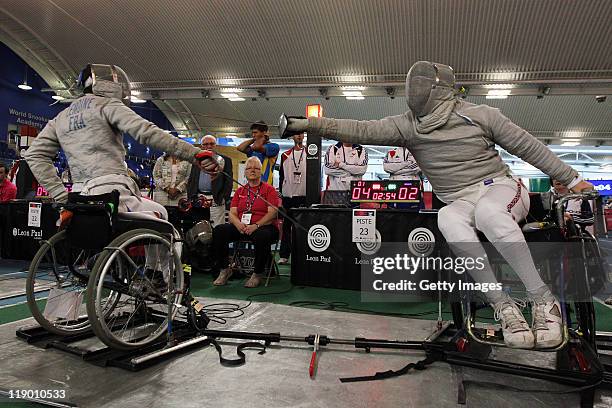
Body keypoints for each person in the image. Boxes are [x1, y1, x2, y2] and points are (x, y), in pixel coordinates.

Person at [280, 60, 594, 349]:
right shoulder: (407, 126)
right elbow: (362, 129)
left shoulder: (481, 115)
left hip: (499, 188)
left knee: (487, 213)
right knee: (446, 218)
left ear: (441, 88)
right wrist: (310, 125)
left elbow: (529, 147)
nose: (414, 91)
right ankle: (503, 305)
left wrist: (573, 179)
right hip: (459, 201)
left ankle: (543, 300)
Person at [24, 64, 209, 274]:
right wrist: (194, 154)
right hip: (111, 193)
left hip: (79, 198)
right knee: (162, 216)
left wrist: (60, 195)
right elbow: (146, 133)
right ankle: (157, 275)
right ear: (100, 84)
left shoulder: (61, 118)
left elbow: (34, 154)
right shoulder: (107, 105)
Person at [211, 157, 280, 288]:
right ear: (245, 172)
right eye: (249, 168)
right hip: (242, 227)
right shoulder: (240, 191)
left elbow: (272, 213)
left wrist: (256, 225)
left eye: (256, 168)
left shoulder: (269, 189)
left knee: (262, 236)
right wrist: (238, 224)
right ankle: (225, 270)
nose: (252, 170)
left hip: (264, 227)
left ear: (261, 172)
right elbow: (232, 213)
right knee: (219, 231)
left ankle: (257, 273)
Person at [187, 135, 233, 227]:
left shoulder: (225, 160)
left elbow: (229, 181)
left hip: (217, 200)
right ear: (202, 146)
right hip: (198, 199)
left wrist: (223, 197)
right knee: (200, 228)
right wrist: (191, 196)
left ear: (215, 145)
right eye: (206, 144)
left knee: (217, 228)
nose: (209, 146)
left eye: (211, 144)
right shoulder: (196, 161)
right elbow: (192, 179)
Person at [278, 133, 307, 264]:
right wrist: (281, 195)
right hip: (288, 196)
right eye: (296, 134)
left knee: (302, 227)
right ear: (292, 137)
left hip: (304, 196)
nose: (299, 136)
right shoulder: (285, 155)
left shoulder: (310, 153)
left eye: (301, 134)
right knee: (286, 227)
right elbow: (281, 177)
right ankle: (284, 255)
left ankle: (302, 254)